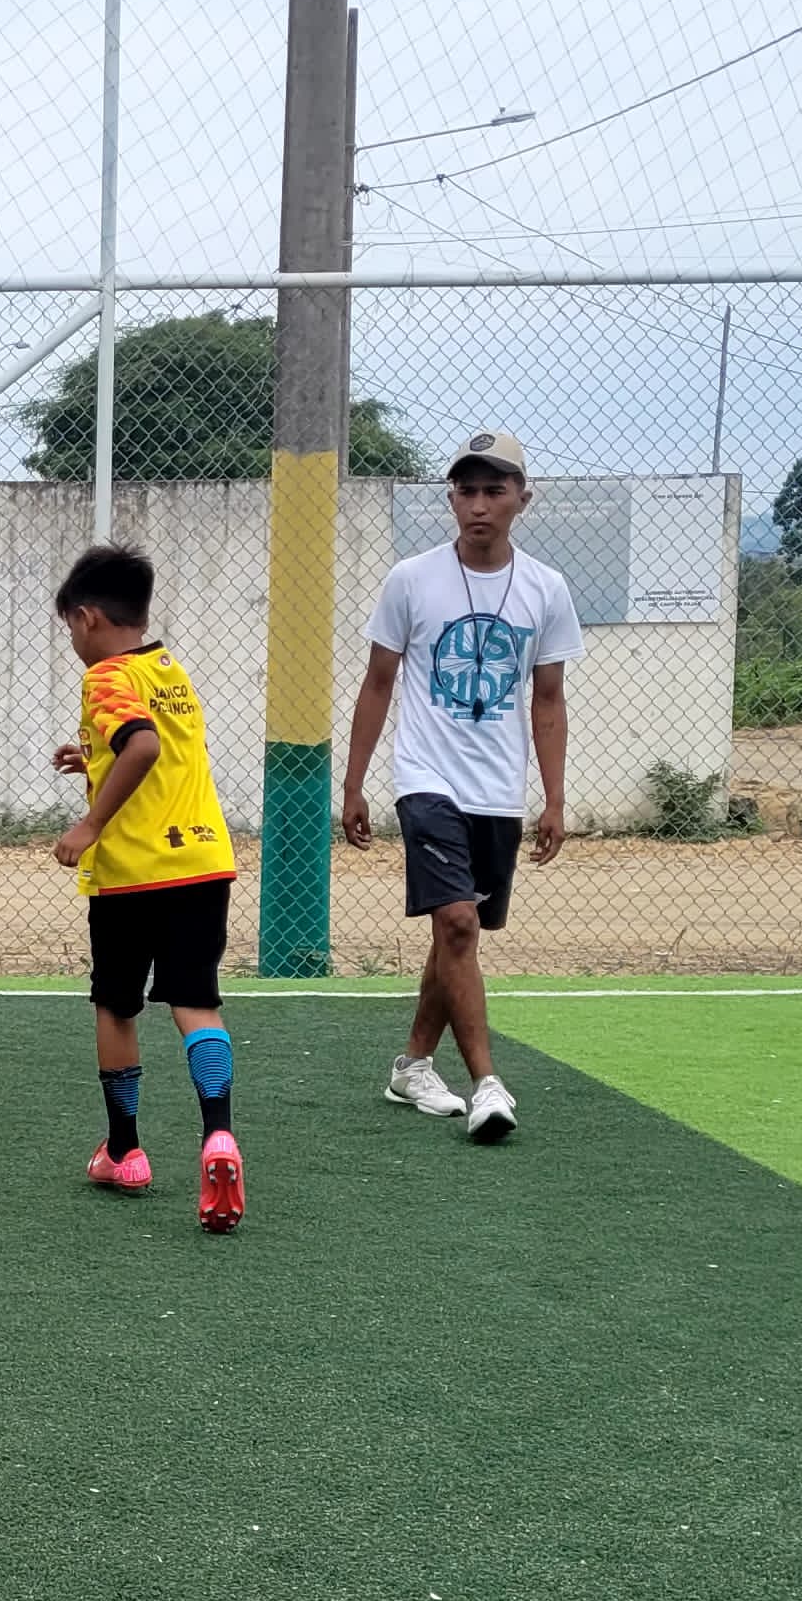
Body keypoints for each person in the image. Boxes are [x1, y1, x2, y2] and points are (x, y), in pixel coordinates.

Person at [338, 431, 575, 1144]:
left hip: (497, 790)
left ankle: (412, 1065)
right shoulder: (411, 579)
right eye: (466, 491)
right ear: (451, 499)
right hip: (426, 779)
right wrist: (354, 784)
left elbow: (548, 700)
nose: (478, 505)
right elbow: (378, 682)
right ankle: (487, 1085)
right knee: (460, 925)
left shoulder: (546, 589)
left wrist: (554, 799)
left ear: (522, 499)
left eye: (494, 491)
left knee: (457, 936)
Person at [50, 545, 245, 1230]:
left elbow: (142, 746)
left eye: (70, 628)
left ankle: (125, 1151)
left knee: (117, 1005)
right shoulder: (169, 672)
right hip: (203, 862)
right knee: (196, 1003)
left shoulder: (105, 677)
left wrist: (89, 823)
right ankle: (218, 1135)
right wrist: (92, 761)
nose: (73, 641)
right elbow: (162, 754)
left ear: (88, 617)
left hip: (133, 871)